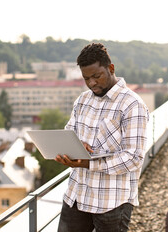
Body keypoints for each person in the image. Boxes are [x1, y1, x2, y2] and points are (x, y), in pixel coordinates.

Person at [54, 43, 149, 232]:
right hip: (76, 195)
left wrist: (88, 163)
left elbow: (133, 158)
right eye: (86, 78)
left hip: (111, 202)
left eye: (97, 76)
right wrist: (72, 146)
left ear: (111, 68)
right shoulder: (82, 100)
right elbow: (69, 132)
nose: (91, 83)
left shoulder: (132, 105)